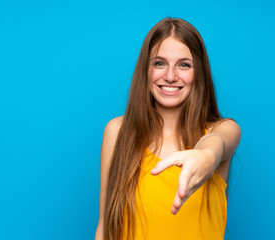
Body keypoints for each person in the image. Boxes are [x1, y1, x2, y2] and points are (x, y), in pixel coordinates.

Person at [95, 17, 241, 240]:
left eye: (184, 65)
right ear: (146, 69)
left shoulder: (222, 129)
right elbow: (105, 227)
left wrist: (206, 155)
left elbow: (218, 143)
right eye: (159, 63)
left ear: (199, 72)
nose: (171, 76)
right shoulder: (117, 132)